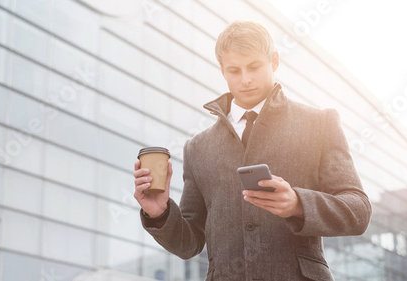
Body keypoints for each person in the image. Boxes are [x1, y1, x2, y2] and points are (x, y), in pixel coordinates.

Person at [133, 19, 372, 280]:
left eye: (254, 67)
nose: (245, 79)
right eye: (234, 70)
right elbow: (189, 243)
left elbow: (358, 211)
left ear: (275, 61)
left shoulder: (319, 124)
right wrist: (160, 212)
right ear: (222, 71)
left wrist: (297, 203)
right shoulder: (197, 148)